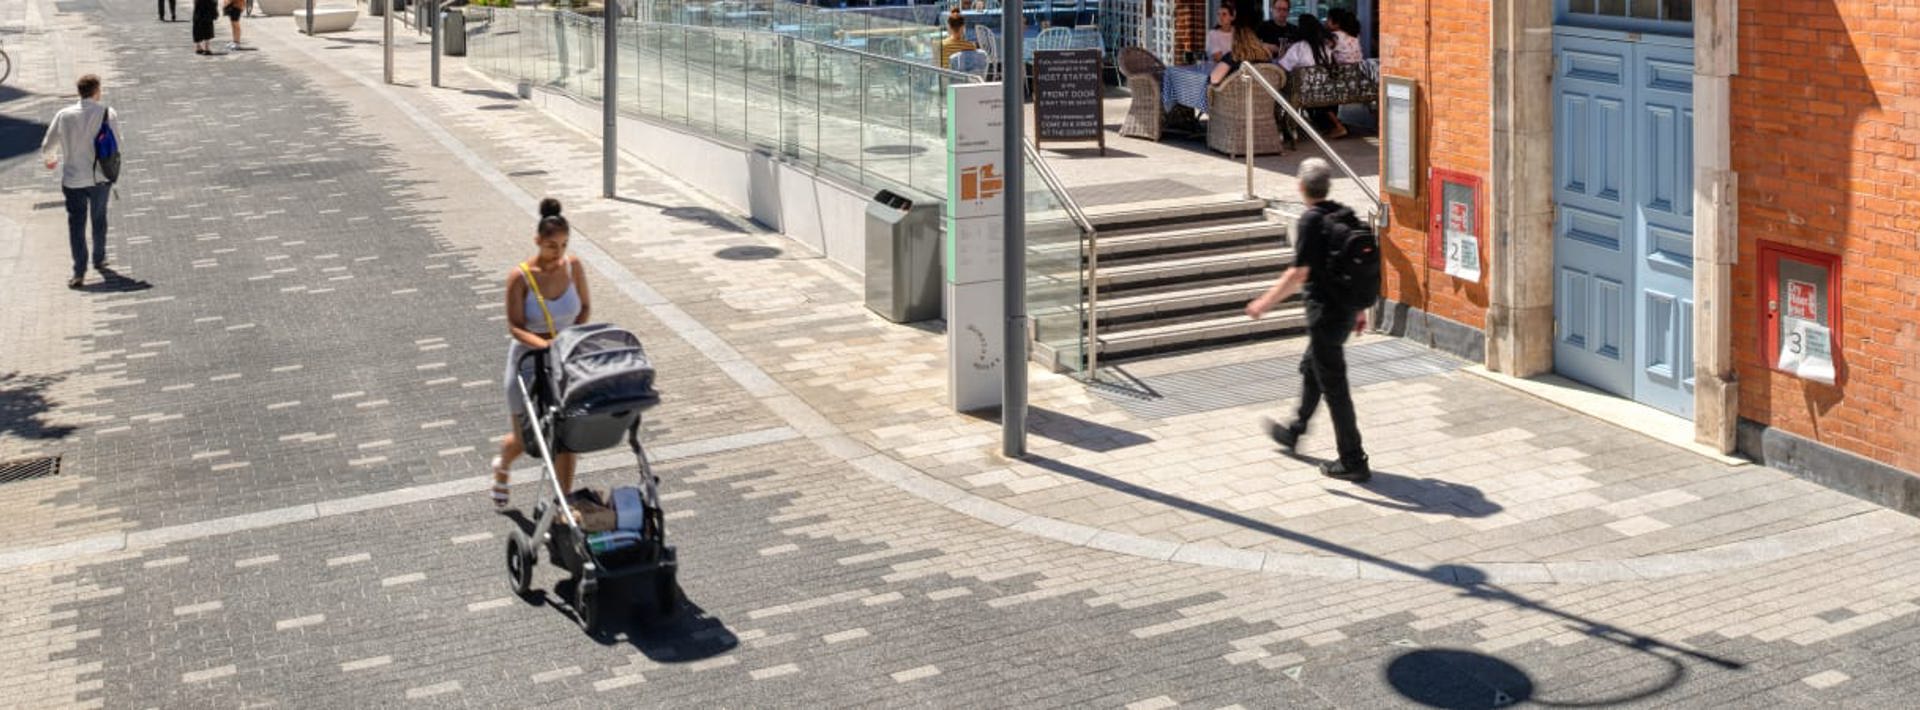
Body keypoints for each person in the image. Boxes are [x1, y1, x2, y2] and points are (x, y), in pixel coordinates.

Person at [1246, 159, 1371, 482]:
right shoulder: (1344, 215)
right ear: (1327, 186)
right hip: (1343, 312)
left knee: (1336, 389)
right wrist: (1358, 309)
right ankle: (1295, 430)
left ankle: (1353, 460)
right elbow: (1353, 266)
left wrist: (1263, 303)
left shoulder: (1312, 222)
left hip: (1326, 315)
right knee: (1312, 366)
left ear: (1301, 187)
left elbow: (1298, 273)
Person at [491, 199, 594, 508]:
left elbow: (585, 307)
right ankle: (502, 467)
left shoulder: (573, 266)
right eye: (551, 245)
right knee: (526, 440)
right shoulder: (520, 277)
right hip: (527, 361)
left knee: (566, 434)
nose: (558, 252)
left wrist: (570, 338)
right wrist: (545, 346)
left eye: (563, 245)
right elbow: (515, 326)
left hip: (563, 361)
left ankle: (563, 501)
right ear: (537, 241)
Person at [39, 74, 120, 290]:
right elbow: (117, 145)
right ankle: (99, 258)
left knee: (76, 224)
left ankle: (79, 272)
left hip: (73, 178)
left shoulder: (64, 115)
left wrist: (51, 160)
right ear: (96, 91)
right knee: (99, 218)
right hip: (99, 178)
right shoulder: (107, 113)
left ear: (79, 92)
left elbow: (48, 144)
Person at [1277, 15, 1348, 138]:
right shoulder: (1324, 46)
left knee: (1283, 86)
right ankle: (1330, 125)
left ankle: (1336, 125)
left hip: (1306, 92)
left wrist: (1282, 53)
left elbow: (1282, 67)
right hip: (1326, 88)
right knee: (1318, 93)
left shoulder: (1299, 47)